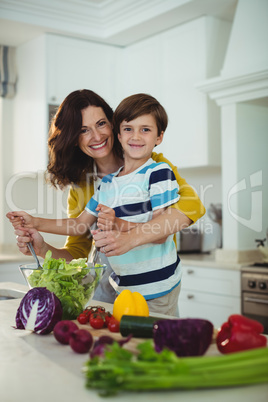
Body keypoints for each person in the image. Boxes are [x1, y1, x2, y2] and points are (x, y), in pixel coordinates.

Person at [7, 89, 205, 304]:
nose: (97, 136)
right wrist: (42, 245)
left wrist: (126, 235)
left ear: (113, 125)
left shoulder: (155, 166)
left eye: (101, 124)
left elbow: (190, 207)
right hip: (109, 284)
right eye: (84, 130)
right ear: (74, 138)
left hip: (154, 284)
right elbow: (78, 245)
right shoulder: (88, 187)